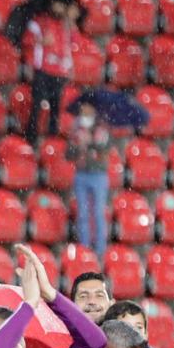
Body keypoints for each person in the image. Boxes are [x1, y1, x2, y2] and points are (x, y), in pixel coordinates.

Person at [22, 0, 75, 143]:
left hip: (59, 72)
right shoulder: (38, 22)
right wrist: (39, 41)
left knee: (55, 108)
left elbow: (68, 48)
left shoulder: (65, 26)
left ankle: (52, 141)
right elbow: (26, 41)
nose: (59, 8)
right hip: (42, 70)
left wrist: (69, 66)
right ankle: (31, 138)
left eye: (61, 5)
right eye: (57, 5)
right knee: (37, 105)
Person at [69, 104, 113, 259]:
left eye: (87, 112)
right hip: (82, 174)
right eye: (82, 113)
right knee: (83, 212)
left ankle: (100, 249)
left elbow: (105, 151)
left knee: (98, 213)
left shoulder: (102, 130)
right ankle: (84, 248)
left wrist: (91, 145)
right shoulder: (77, 131)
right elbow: (69, 153)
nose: (84, 116)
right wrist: (78, 147)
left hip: (98, 175)